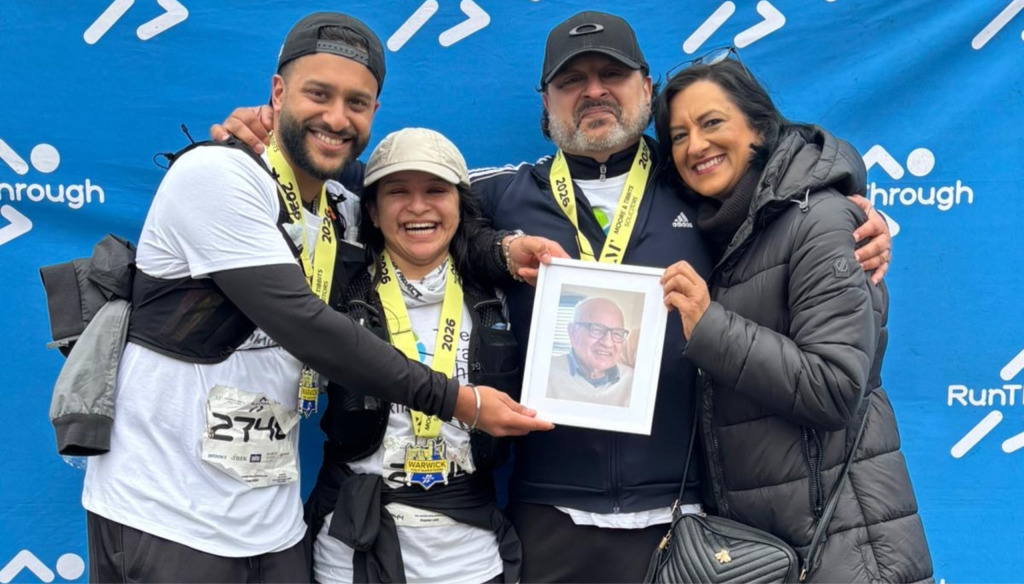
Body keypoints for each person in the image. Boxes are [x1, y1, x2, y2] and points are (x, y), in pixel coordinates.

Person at [211, 11, 894, 582]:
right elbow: (387, 190)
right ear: (545, 104)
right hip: (548, 519)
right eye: (571, 81)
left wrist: (853, 206)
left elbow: (786, 181)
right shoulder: (498, 193)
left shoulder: (703, 189)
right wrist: (265, 140)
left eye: (611, 76)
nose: (592, 91)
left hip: (687, 517)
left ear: (646, 90)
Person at [81, 14, 551, 583]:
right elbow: (301, 322)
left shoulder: (342, 211)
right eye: (318, 94)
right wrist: (461, 402)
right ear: (277, 94)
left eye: (357, 102)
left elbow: (422, 223)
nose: (336, 117)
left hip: (273, 523)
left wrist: (498, 251)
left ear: (373, 113)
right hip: (166, 513)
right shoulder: (217, 175)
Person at [655, 49, 931, 582]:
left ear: (759, 127)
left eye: (712, 123)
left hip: (847, 546)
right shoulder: (723, 231)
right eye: (680, 136)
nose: (697, 145)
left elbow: (833, 387)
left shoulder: (822, 219)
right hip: (767, 549)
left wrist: (709, 326)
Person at [304, 128, 523, 584]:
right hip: (351, 553)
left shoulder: (498, 300)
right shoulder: (334, 293)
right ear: (372, 211)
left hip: (469, 555)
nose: (418, 207)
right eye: (398, 192)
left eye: (436, 191)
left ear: (461, 206)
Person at [547, 296, 634, 407]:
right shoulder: (545, 372)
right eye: (596, 330)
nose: (608, 343)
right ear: (573, 333)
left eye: (617, 333)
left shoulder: (634, 381)